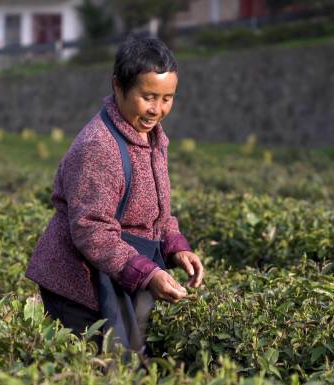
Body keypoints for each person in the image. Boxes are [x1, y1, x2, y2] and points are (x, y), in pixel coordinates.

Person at [25, 37, 204, 355]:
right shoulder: (100, 146)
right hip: (78, 288)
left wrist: (176, 248)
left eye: (167, 98)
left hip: (118, 276)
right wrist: (148, 274)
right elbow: (92, 230)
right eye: (148, 97)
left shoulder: (151, 137)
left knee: (128, 364)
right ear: (119, 87)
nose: (157, 109)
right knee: (97, 368)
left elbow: (156, 210)